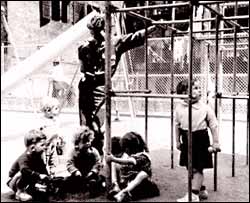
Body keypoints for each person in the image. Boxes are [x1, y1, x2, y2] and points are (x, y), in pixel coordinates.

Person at [78, 15, 157, 156]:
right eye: (95, 31)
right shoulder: (85, 47)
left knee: (97, 123)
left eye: (102, 30)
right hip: (87, 87)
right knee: (85, 125)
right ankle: (88, 155)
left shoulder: (115, 43)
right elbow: (83, 70)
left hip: (101, 87)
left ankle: (98, 154)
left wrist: (153, 27)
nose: (99, 35)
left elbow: (135, 37)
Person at [174, 78, 221, 202]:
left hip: (200, 139)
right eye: (195, 88)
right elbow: (177, 125)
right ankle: (201, 189)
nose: (199, 90)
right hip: (186, 138)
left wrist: (215, 142)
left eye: (199, 88)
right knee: (190, 167)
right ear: (184, 93)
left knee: (197, 168)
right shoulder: (179, 108)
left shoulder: (204, 107)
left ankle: (193, 195)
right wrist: (177, 141)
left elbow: (213, 124)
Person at [105, 131, 160, 202]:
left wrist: (114, 159)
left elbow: (131, 161)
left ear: (129, 148)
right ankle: (115, 185)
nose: (125, 151)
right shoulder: (131, 155)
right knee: (114, 164)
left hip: (140, 183)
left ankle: (124, 193)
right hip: (129, 179)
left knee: (142, 174)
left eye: (125, 149)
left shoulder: (143, 156)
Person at [6, 129, 49, 201]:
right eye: (42, 145)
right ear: (32, 148)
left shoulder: (38, 156)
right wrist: (39, 176)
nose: (45, 147)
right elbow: (24, 170)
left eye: (45, 145)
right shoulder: (24, 158)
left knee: (41, 180)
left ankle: (31, 188)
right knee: (23, 171)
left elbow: (42, 168)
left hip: (27, 179)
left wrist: (47, 178)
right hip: (14, 180)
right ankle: (19, 192)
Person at [65, 125, 106, 197]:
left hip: (90, 174)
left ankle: (92, 186)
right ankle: (78, 186)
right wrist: (75, 171)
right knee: (67, 181)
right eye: (85, 142)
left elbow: (98, 162)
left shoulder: (93, 151)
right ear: (77, 143)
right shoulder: (73, 152)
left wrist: (93, 171)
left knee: (99, 179)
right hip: (78, 175)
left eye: (89, 141)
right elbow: (69, 163)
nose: (88, 143)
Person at [39, 96, 66, 176]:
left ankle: (52, 173)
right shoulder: (43, 121)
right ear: (48, 110)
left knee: (54, 160)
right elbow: (38, 133)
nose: (58, 110)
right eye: (56, 108)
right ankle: (42, 175)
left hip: (53, 145)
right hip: (45, 146)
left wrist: (61, 138)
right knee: (44, 160)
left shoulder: (56, 120)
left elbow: (58, 131)